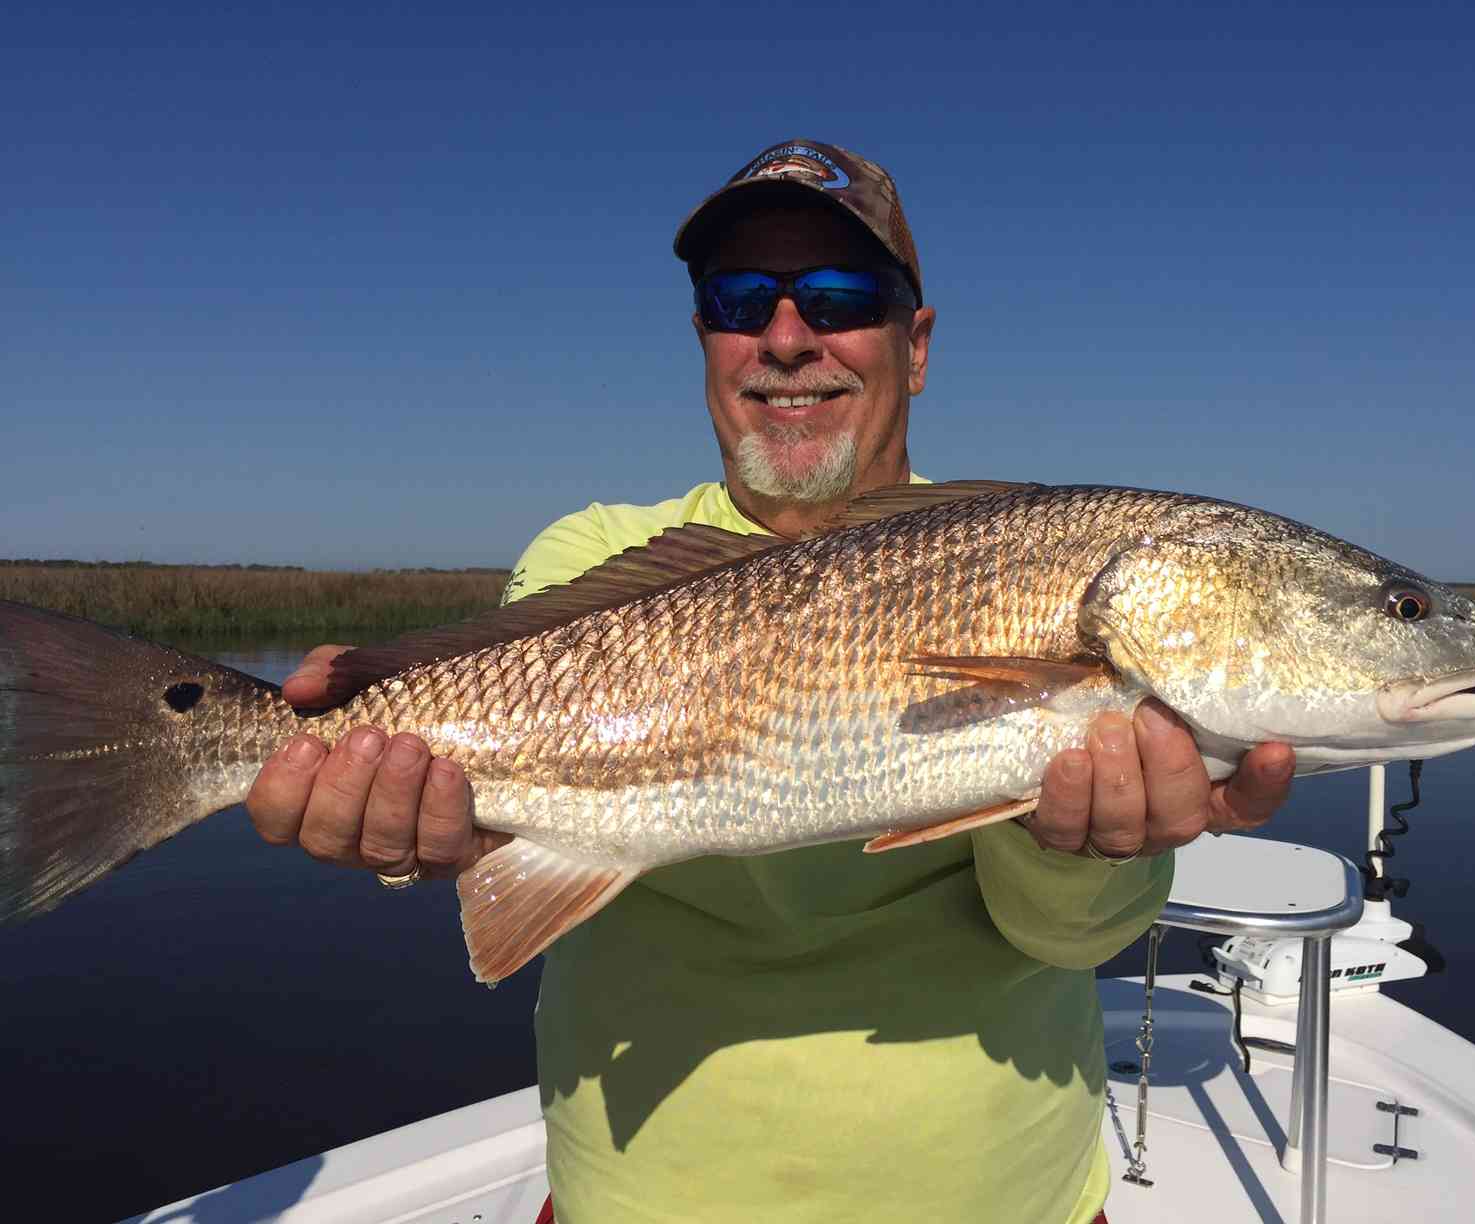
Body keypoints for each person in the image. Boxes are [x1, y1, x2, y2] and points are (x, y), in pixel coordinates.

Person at [246, 140, 1294, 1223]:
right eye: (740, 299)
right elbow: (479, 821)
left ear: (916, 345)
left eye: (841, 297)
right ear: (703, 338)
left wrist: (1087, 846)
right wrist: (395, 821)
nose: (787, 339)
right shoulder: (590, 556)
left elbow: (1070, 940)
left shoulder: (1014, 553)